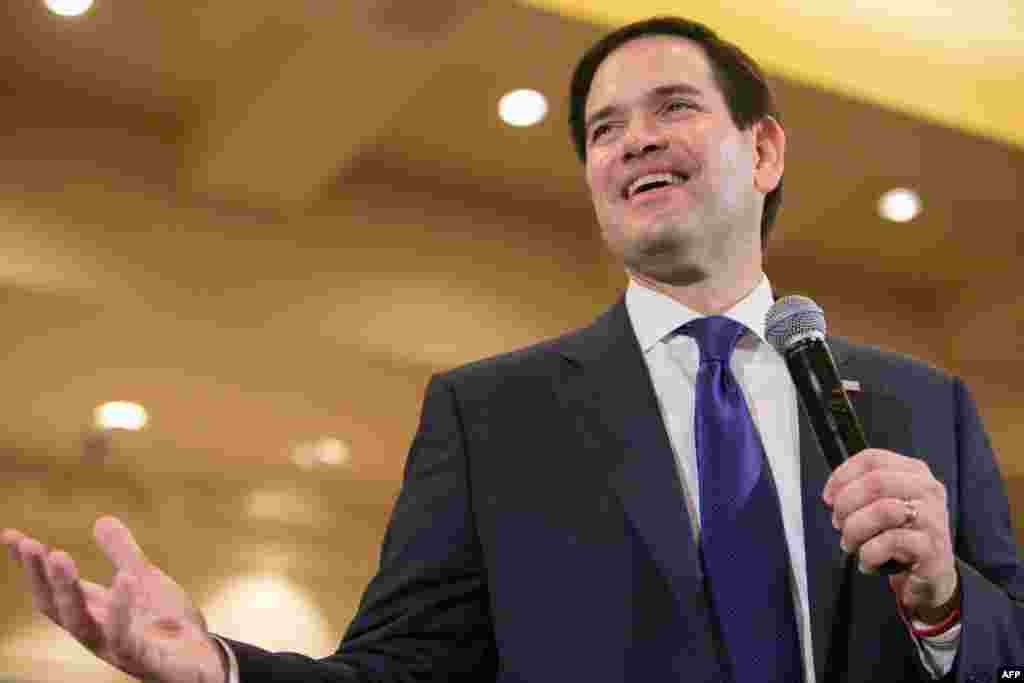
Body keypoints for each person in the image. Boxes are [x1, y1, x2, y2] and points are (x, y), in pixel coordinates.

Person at [4, 15, 1023, 683]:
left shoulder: (921, 405)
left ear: (762, 149)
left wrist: (944, 602)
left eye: (673, 106)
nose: (633, 139)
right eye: (603, 129)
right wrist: (223, 667)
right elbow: (400, 670)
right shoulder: (492, 415)